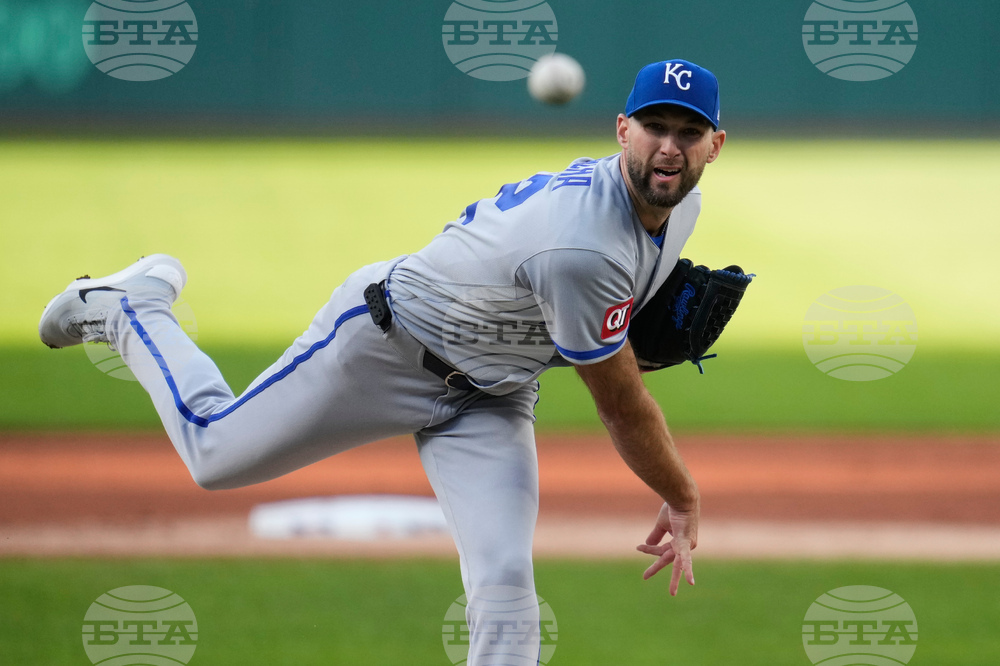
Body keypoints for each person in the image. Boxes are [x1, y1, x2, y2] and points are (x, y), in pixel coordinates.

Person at [40, 59, 725, 664]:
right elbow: (619, 405)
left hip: (492, 395)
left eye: (688, 133)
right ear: (621, 131)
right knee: (214, 454)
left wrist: (615, 326)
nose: (669, 147)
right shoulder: (584, 249)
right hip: (384, 348)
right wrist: (683, 496)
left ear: (714, 147)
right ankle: (132, 307)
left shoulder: (680, 208)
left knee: (506, 584)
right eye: (654, 126)